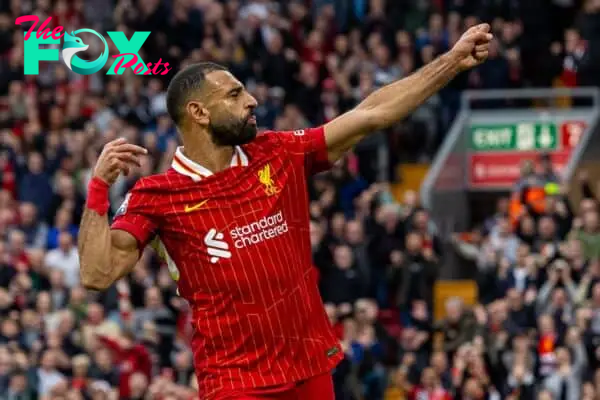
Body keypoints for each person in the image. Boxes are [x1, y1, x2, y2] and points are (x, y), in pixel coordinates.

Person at [77, 24, 493, 400]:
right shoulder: (158, 194)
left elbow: (370, 115)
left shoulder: (278, 151)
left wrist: (452, 61)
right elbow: (97, 274)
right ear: (199, 113)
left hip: (309, 365)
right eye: (235, 94)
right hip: (234, 381)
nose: (252, 100)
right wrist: (98, 188)